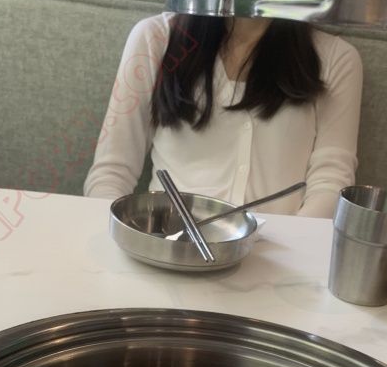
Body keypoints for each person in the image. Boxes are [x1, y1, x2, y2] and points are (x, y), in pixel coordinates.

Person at [83, 12, 363, 218]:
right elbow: (111, 172)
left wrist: (292, 251)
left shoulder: (335, 59)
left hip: (278, 257)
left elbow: (331, 181)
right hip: (165, 244)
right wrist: (130, 240)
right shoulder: (155, 38)